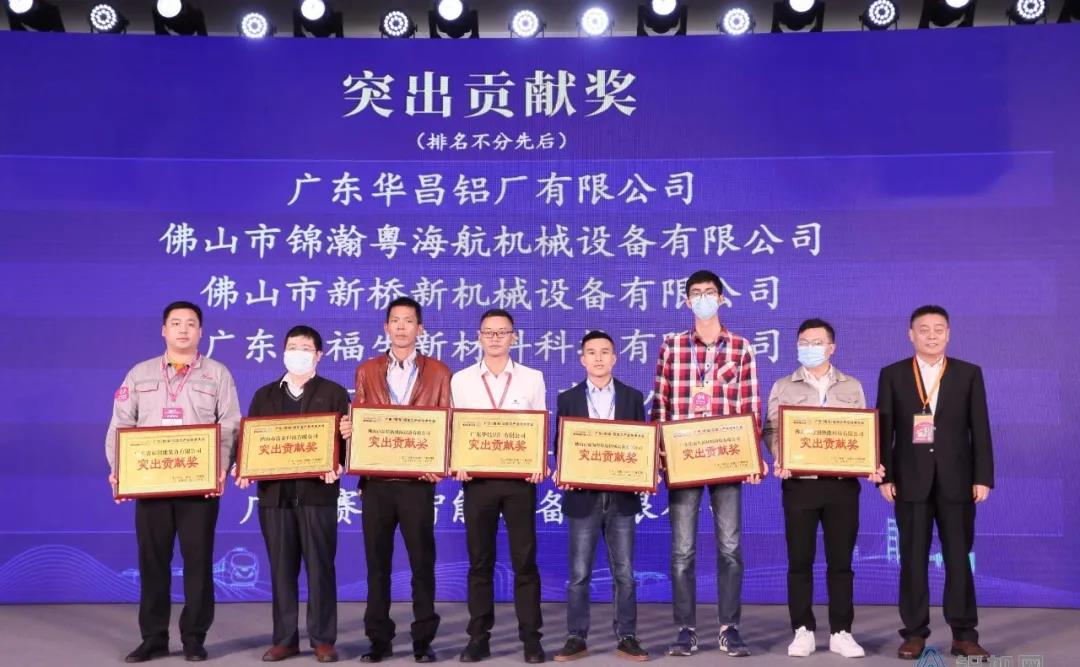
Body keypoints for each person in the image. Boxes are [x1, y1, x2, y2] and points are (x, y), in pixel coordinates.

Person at [105, 301, 240, 663]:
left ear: (201, 332)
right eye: (176, 323)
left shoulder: (218, 374)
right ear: (163, 330)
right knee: (152, 561)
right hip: (151, 484)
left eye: (191, 324)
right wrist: (120, 470)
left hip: (199, 486)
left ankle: (194, 637)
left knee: (198, 562)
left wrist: (220, 468)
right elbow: (121, 424)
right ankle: (153, 638)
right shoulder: (139, 374)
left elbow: (230, 424)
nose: (183, 329)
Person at [650, 270, 761, 658]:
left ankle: (730, 627)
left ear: (722, 298)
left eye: (709, 292)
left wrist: (752, 456)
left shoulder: (741, 347)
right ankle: (686, 629)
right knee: (682, 550)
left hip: (727, 458)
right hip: (684, 461)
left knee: (730, 547)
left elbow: (751, 406)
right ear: (686, 302)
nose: (703, 299)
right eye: (696, 293)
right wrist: (658, 450)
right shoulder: (671, 346)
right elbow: (660, 402)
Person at [762, 318, 885, 659]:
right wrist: (780, 455)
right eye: (804, 342)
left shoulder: (851, 386)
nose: (810, 348)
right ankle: (802, 629)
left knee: (841, 562)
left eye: (817, 342)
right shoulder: (783, 386)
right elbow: (771, 429)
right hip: (799, 486)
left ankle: (841, 631)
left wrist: (868, 461)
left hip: (842, 487)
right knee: (799, 560)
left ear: (832, 347)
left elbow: (862, 432)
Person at [877, 305, 993, 660]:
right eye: (924, 329)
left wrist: (983, 477)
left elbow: (980, 428)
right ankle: (914, 633)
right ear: (911, 335)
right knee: (912, 559)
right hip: (909, 481)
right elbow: (884, 428)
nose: (931, 335)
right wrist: (885, 475)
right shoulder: (893, 374)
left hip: (958, 481)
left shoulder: (968, 373)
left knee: (958, 558)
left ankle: (964, 635)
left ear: (948, 334)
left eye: (938, 329)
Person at [339, 297, 451, 664]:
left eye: (409, 321)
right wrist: (350, 432)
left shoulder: (439, 372)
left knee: (422, 563)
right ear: (386, 327)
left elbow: (447, 422)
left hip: (418, 482)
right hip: (377, 483)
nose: (402, 327)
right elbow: (362, 420)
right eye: (395, 321)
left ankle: (423, 640)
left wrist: (440, 463)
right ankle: (379, 640)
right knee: (377, 564)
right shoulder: (367, 370)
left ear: (420, 329)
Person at [236, 325, 349, 663]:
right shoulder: (264, 395)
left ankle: (323, 639)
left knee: (320, 568)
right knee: (281, 570)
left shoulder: (334, 393)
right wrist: (245, 466)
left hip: (318, 494)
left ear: (318, 355)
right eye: (292, 347)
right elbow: (252, 442)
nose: (298, 353)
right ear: (283, 352)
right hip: (275, 496)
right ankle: (284, 639)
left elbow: (346, 441)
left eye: (305, 348)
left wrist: (339, 464)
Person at [451, 308, 546, 664]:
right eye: (488, 332)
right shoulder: (461, 380)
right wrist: (457, 461)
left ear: (513, 338)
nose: (495, 338)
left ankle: (531, 639)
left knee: (525, 562)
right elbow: (454, 429)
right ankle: (478, 638)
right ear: (479, 337)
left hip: (520, 483)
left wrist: (538, 463)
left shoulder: (532, 378)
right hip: (478, 483)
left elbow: (539, 425)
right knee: (480, 562)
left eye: (502, 332)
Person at [552, 331, 649, 663]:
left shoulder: (633, 397)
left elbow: (641, 446)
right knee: (579, 574)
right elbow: (560, 445)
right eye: (591, 352)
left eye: (604, 352)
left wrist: (642, 471)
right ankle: (576, 636)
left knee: (624, 573)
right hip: (583, 498)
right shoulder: (568, 399)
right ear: (582, 359)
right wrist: (564, 469)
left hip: (621, 499)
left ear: (614, 358)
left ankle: (628, 636)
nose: (598, 358)